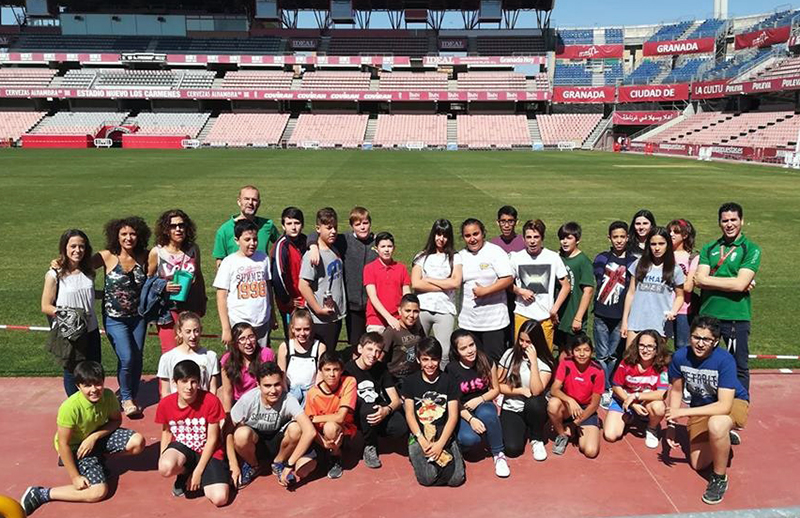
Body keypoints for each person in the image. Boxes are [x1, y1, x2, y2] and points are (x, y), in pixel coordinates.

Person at [19, 361, 145, 516]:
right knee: (97, 492)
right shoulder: (70, 408)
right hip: (75, 448)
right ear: (78, 386)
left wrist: (93, 437)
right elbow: (63, 444)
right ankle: (41, 494)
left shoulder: (109, 396)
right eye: (87, 385)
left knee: (137, 442)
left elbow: (115, 421)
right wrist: (75, 477)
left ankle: (98, 458)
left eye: (98, 384)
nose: (94, 390)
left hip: (95, 437)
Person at [665, 316, 750, 505]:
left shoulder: (725, 360)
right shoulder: (680, 357)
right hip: (701, 407)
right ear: (690, 336)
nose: (700, 344)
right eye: (696, 337)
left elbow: (724, 406)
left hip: (733, 402)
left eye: (707, 340)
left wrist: (682, 413)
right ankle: (722, 438)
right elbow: (677, 390)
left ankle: (719, 479)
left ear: (716, 341)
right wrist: (671, 424)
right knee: (697, 464)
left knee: (717, 423)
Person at [694, 202, 761, 393]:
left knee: (738, 365)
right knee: (704, 362)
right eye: (725, 221)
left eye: (733, 220)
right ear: (719, 223)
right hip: (708, 315)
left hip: (736, 317)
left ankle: (739, 407)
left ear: (742, 221)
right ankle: (706, 404)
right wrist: (734, 283)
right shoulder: (709, 248)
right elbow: (699, 279)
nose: (729, 224)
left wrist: (710, 281)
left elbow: (740, 284)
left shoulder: (751, 249)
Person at [93, 217, 150, 417]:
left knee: (137, 356)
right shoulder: (107, 256)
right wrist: (59, 264)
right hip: (114, 318)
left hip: (139, 318)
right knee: (126, 357)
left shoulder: (145, 256)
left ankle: (132, 395)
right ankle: (125, 398)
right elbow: (80, 266)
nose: (128, 238)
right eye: (124, 234)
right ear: (116, 236)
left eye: (132, 234)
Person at [227, 362, 317, 489]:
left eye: (277, 385)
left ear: (282, 383)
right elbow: (227, 431)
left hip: (279, 443)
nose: (273, 390)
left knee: (296, 429)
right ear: (258, 385)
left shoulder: (288, 399)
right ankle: (253, 465)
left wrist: (289, 465)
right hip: (256, 444)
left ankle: (278, 463)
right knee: (240, 434)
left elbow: (310, 431)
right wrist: (234, 465)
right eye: (267, 386)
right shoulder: (248, 400)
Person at [156, 360, 230, 506]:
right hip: (183, 448)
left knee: (220, 499)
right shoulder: (166, 404)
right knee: (165, 467)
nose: (189, 387)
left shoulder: (210, 401)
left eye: (193, 382)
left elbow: (212, 439)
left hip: (209, 451)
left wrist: (198, 472)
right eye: (184, 381)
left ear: (199, 382)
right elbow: (166, 432)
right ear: (175, 382)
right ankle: (184, 473)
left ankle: (208, 475)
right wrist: (162, 457)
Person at [41, 229, 101, 396]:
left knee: (94, 369)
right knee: (72, 372)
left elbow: (87, 293)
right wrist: (69, 315)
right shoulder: (54, 274)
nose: (77, 250)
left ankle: (92, 403)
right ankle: (74, 406)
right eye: (73, 246)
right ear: (64, 248)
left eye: (81, 246)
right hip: (70, 333)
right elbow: (45, 305)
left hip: (91, 329)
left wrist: (107, 294)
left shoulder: (88, 271)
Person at [307, 206, 377, 348]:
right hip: (353, 305)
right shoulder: (344, 240)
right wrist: (313, 246)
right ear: (352, 226)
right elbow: (316, 233)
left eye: (365, 223)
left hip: (374, 303)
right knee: (356, 344)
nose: (362, 227)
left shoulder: (377, 242)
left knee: (375, 343)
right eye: (357, 224)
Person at [401, 337, 465, 487]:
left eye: (434, 359)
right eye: (425, 359)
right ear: (418, 360)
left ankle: (452, 446)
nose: (430, 364)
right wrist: (421, 440)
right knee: (427, 479)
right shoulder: (410, 382)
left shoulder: (449, 381)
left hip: (442, 431)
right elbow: (409, 414)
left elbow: (453, 416)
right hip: (420, 432)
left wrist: (441, 444)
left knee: (456, 480)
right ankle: (415, 449)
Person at [447, 329, 509, 478]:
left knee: (488, 413)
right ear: (456, 351)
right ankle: (457, 444)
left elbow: (495, 389)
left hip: (482, 402)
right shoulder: (452, 369)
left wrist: (479, 400)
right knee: (470, 439)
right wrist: (471, 419)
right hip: (462, 410)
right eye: (463, 348)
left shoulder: (486, 360)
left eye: (471, 345)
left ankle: (498, 453)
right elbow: (453, 401)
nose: (469, 351)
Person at [345, 332, 408, 469]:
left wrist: (386, 410)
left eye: (377, 351)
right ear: (360, 349)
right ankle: (370, 445)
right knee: (369, 408)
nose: (373, 354)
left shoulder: (381, 368)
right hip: (356, 413)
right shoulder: (348, 370)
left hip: (378, 409)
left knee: (401, 427)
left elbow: (396, 400)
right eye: (369, 349)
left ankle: (375, 431)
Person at [147, 209, 206, 354]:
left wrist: (202, 300)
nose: (178, 229)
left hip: (191, 305)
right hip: (167, 309)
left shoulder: (193, 249)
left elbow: (198, 275)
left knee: (191, 349)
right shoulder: (157, 252)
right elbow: (149, 281)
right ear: (166, 230)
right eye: (173, 226)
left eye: (182, 225)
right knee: (170, 352)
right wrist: (164, 286)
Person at [456, 218, 514, 363]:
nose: (472, 239)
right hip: (468, 321)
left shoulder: (495, 252)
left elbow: (507, 278)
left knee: (493, 363)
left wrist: (485, 291)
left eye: (476, 234)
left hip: (494, 322)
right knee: (471, 362)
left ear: (483, 233)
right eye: (467, 236)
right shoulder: (460, 256)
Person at [213, 219, 275, 349]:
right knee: (238, 362)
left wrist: (272, 315)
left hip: (262, 321)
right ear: (237, 240)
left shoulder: (263, 258)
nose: (252, 243)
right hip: (239, 323)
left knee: (261, 360)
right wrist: (226, 328)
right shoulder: (229, 262)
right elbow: (221, 296)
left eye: (255, 239)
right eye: (247, 240)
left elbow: (268, 289)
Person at [498, 319, 554, 461]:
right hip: (513, 407)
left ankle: (537, 438)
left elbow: (536, 391)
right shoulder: (509, 355)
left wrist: (533, 362)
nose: (523, 345)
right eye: (521, 340)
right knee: (512, 449)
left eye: (528, 342)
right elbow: (497, 385)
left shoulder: (545, 363)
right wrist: (520, 391)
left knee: (535, 402)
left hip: (534, 408)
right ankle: (521, 428)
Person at [593, 221, 635, 408]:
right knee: (601, 355)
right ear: (609, 238)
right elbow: (598, 279)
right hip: (601, 313)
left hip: (620, 315)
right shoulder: (601, 258)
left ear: (627, 238)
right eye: (615, 237)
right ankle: (606, 387)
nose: (619, 240)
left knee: (613, 355)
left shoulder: (633, 261)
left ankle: (609, 385)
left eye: (622, 237)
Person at [509, 219, 570, 350]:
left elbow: (566, 285)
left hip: (545, 317)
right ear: (524, 239)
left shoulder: (553, 257)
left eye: (536, 237)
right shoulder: (515, 258)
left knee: (545, 356)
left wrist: (554, 309)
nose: (532, 241)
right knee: (521, 354)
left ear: (542, 238)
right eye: (528, 237)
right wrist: (520, 291)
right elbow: (506, 283)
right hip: (522, 314)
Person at [602, 330, 669, 449]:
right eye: (642, 345)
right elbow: (616, 386)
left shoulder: (662, 367)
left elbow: (661, 394)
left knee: (659, 407)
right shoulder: (627, 363)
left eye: (650, 346)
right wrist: (632, 403)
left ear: (657, 349)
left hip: (645, 400)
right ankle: (631, 416)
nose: (645, 350)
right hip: (623, 400)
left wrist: (636, 396)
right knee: (610, 435)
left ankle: (651, 428)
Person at [621, 227, 685, 345]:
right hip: (636, 321)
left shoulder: (674, 269)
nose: (657, 248)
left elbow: (680, 296)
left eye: (661, 244)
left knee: (655, 360)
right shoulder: (639, 264)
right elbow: (631, 293)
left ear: (668, 245)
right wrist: (625, 321)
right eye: (653, 244)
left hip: (660, 324)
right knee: (630, 359)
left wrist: (674, 311)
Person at [411, 219, 461, 362]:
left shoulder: (455, 257)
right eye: (438, 234)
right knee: (417, 350)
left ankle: (442, 382)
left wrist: (429, 279)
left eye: (445, 235)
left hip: (445, 309)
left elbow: (456, 282)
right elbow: (416, 283)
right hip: (422, 308)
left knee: (444, 353)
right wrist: (445, 284)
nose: (441, 239)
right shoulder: (421, 256)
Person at [547, 333, 603, 458]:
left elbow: (594, 405)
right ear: (572, 351)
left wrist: (575, 424)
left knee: (591, 451)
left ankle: (574, 428)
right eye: (578, 350)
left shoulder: (598, 371)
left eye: (586, 350)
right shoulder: (566, 363)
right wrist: (570, 400)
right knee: (553, 404)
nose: (582, 354)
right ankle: (562, 435)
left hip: (586, 410)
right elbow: (554, 389)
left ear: (592, 352)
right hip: (568, 407)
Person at [304, 351, 357, 479]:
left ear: (342, 370)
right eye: (327, 370)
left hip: (342, 429)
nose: (332, 374)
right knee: (302, 470)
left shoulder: (349, 382)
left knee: (330, 427)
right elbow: (309, 426)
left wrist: (314, 418)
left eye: (336, 369)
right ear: (321, 371)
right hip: (320, 436)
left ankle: (336, 457)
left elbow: (340, 417)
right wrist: (323, 443)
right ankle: (325, 451)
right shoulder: (312, 393)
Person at [298, 207, 346, 350]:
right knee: (322, 359)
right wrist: (318, 309)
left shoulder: (333, 248)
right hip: (320, 320)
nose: (333, 231)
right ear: (318, 228)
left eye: (335, 227)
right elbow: (303, 285)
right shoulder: (312, 256)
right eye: (329, 228)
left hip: (334, 317)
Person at [213, 185, 279, 268]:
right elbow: (220, 262)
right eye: (246, 199)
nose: (250, 203)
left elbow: (281, 244)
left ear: (259, 203)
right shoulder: (224, 230)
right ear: (239, 201)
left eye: (254, 200)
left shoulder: (268, 225)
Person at [157, 311, 220, 398]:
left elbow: (212, 389)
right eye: (188, 332)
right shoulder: (167, 358)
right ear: (179, 332)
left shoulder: (211, 356)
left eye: (196, 331)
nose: (193, 336)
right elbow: (165, 392)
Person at [555, 222, 595, 351]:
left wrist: (578, 318)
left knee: (573, 352)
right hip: (558, 315)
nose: (564, 242)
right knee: (561, 348)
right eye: (562, 238)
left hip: (572, 315)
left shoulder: (583, 261)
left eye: (569, 238)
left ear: (578, 240)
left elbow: (588, 291)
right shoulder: (558, 258)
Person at [219, 322, 276, 412]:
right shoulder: (227, 359)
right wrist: (228, 416)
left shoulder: (266, 354)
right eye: (242, 339)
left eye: (251, 337)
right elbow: (227, 392)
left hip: (261, 402)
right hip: (238, 403)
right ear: (235, 343)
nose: (248, 342)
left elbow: (273, 382)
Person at [363, 231, 411, 333]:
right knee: (375, 347)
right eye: (383, 246)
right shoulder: (369, 268)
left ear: (394, 248)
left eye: (389, 246)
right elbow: (373, 296)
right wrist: (388, 318)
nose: (386, 250)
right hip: (376, 319)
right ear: (376, 249)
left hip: (398, 318)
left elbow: (406, 294)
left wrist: (404, 315)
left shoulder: (401, 268)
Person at [271, 207, 307, 341]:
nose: (293, 227)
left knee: (307, 335)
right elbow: (277, 277)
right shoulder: (281, 246)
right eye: (289, 223)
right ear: (283, 225)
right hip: (291, 303)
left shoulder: (306, 241)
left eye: (297, 223)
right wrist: (287, 300)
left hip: (307, 299)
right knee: (293, 338)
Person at [277, 308, 326, 405]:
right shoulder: (285, 347)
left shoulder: (319, 347)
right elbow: (281, 375)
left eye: (306, 329)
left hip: (312, 392)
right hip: (290, 392)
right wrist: (287, 397)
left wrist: (313, 395)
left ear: (311, 328)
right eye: (298, 329)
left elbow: (320, 374)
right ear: (292, 329)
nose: (302, 333)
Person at [668, 218, 699, 349]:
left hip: (683, 309)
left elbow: (688, 287)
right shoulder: (663, 254)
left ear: (685, 235)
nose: (671, 234)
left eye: (676, 232)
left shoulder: (692, 257)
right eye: (669, 231)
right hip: (663, 306)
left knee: (682, 346)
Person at [382, 294, 426, 381]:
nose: (411, 315)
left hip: (416, 375)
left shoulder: (419, 328)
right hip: (396, 377)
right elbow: (380, 358)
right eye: (408, 311)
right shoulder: (392, 331)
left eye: (415, 311)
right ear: (399, 310)